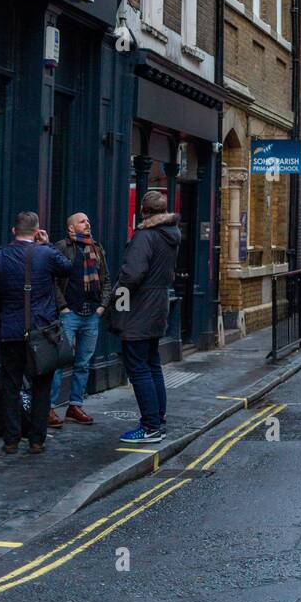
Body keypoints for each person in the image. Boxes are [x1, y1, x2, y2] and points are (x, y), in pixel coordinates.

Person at [0, 211, 71, 453]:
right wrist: (46, 244)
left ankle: (11, 440)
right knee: (41, 385)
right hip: (42, 332)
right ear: (37, 232)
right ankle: (37, 440)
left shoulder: (0, 258)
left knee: (11, 385)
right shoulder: (47, 254)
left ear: (14, 231)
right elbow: (67, 268)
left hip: (11, 331)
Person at [109, 190, 181, 444]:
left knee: (138, 368)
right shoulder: (171, 234)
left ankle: (150, 427)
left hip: (139, 309)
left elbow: (132, 275)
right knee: (152, 365)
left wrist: (115, 298)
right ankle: (157, 422)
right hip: (158, 306)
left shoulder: (145, 236)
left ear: (142, 210)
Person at [49, 212, 112, 427]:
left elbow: (106, 280)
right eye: (82, 221)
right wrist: (62, 307)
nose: (88, 223)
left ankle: (74, 406)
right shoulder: (62, 247)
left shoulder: (97, 248)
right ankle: (49, 408)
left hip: (91, 315)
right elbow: (53, 281)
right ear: (71, 228)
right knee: (58, 362)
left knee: (83, 364)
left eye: (88, 220)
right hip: (69, 314)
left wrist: (102, 307)